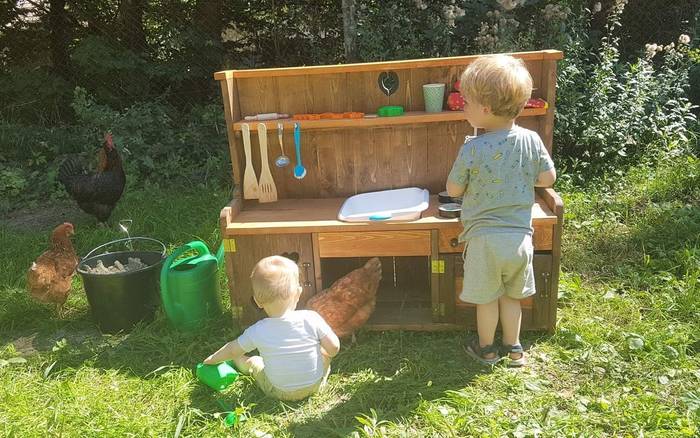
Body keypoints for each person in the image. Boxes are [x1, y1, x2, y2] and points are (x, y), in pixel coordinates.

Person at [446, 55, 557, 367]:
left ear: (485, 109)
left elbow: (453, 190)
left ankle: (487, 349)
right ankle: (514, 348)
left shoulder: (473, 148)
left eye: (465, 101)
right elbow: (548, 179)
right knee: (512, 297)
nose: (462, 106)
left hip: (484, 241)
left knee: (487, 300)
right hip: (520, 240)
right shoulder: (532, 139)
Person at [204, 255, 340, 400]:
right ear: (298, 293)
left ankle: (239, 361)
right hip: (314, 386)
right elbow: (334, 347)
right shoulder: (311, 318)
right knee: (324, 354)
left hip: (278, 391)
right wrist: (323, 353)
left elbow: (231, 349)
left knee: (255, 362)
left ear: (257, 301)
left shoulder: (257, 330)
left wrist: (212, 359)